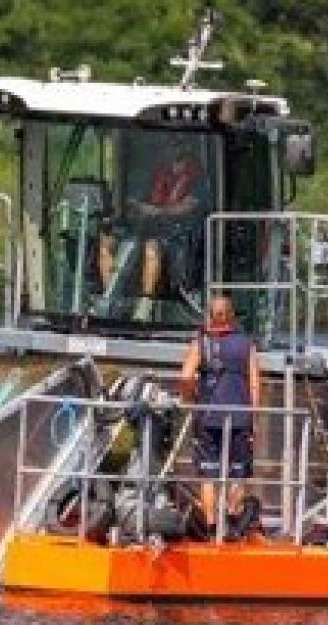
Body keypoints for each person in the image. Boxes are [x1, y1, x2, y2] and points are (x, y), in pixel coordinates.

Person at [180, 295, 261, 534]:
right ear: (232, 316)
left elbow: (185, 377)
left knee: (208, 474)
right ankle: (234, 525)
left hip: (208, 416)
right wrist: (254, 418)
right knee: (237, 472)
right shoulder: (247, 345)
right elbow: (255, 384)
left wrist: (191, 398)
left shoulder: (200, 343)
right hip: (240, 416)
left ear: (211, 316)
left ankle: (211, 526)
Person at [99, 143, 207, 309]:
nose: (170, 156)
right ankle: (110, 300)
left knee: (151, 248)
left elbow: (188, 207)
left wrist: (156, 211)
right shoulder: (155, 176)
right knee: (107, 244)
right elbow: (135, 200)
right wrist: (134, 206)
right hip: (142, 228)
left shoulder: (198, 180)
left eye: (177, 153)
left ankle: (145, 305)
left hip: (177, 234)